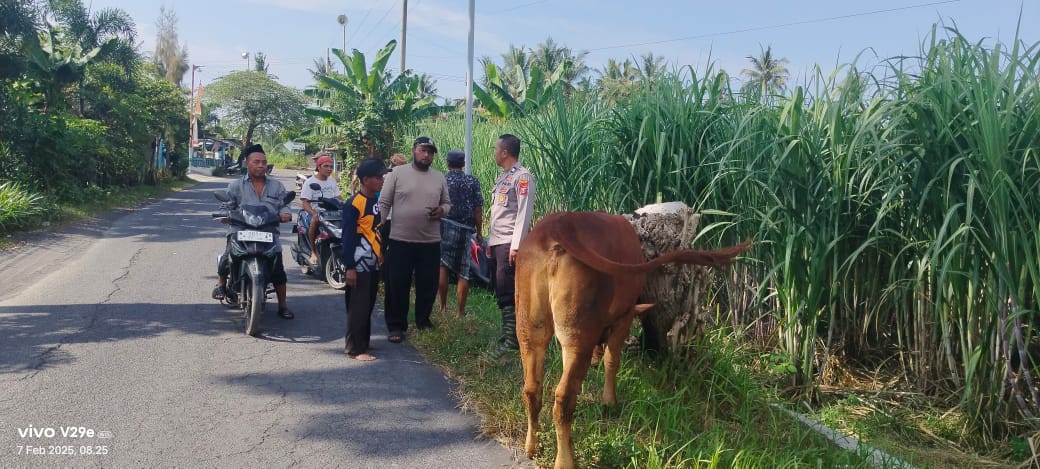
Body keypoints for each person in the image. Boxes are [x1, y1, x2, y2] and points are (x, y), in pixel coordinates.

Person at [377, 136, 451, 343]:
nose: (426, 155)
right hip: (400, 239)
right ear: (413, 151)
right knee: (397, 283)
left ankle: (423, 320)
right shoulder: (396, 174)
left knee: (427, 284)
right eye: (422, 150)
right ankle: (396, 325)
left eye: (430, 152)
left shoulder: (439, 177)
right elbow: (384, 203)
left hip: (430, 241)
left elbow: (447, 203)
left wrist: (442, 210)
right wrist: (377, 228)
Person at [211, 144, 295, 319]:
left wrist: (286, 213)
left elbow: (284, 204)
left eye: (264, 162)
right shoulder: (235, 185)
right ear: (247, 164)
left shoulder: (276, 186)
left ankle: (282, 305)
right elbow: (226, 203)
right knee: (228, 255)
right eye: (256, 162)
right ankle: (220, 283)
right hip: (241, 228)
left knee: (278, 268)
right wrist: (224, 215)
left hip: (268, 230)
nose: (261, 165)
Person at [486, 134, 536, 357]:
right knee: (500, 288)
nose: (495, 152)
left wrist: (516, 246)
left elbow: (523, 213)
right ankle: (508, 334)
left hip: (510, 243)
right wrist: (490, 240)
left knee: (507, 290)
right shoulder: (503, 177)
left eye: (497, 149)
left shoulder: (522, 177)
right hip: (499, 241)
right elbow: (498, 214)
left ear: (505, 152)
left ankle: (514, 341)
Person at [341, 158, 389, 361]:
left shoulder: (375, 200)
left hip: (373, 262)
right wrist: (350, 267)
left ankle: (364, 340)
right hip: (359, 264)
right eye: (378, 177)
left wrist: (381, 254)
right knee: (357, 306)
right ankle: (355, 349)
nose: (382, 180)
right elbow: (348, 237)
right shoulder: (354, 203)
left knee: (368, 303)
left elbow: (377, 230)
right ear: (366, 179)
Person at [437, 149, 484, 316]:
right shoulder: (472, 181)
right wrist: (479, 232)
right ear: (463, 164)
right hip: (465, 229)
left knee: (442, 265)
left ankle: (442, 307)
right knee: (463, 270)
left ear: (448, 163)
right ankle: (460, 311)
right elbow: (478, 209)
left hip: (445, 225)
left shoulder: (442, 180)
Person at [379, 153, 410, 318]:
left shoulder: (389, 176)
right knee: (384, 247)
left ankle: (384, 277)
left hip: (393, 219)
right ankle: (384, 277)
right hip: (389, 218)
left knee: (386, 248)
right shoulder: (388, 177)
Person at [300, 154, 342, 265]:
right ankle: (313, 252)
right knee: (315, 220)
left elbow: (339, 198)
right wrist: (314, 213)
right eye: (326, 166)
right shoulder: (309, 182)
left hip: (331, 212)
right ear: (319, 167)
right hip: (315, 212)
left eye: (331, 167)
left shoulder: (332, 181)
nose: (329, 169)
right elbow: (305, 203)